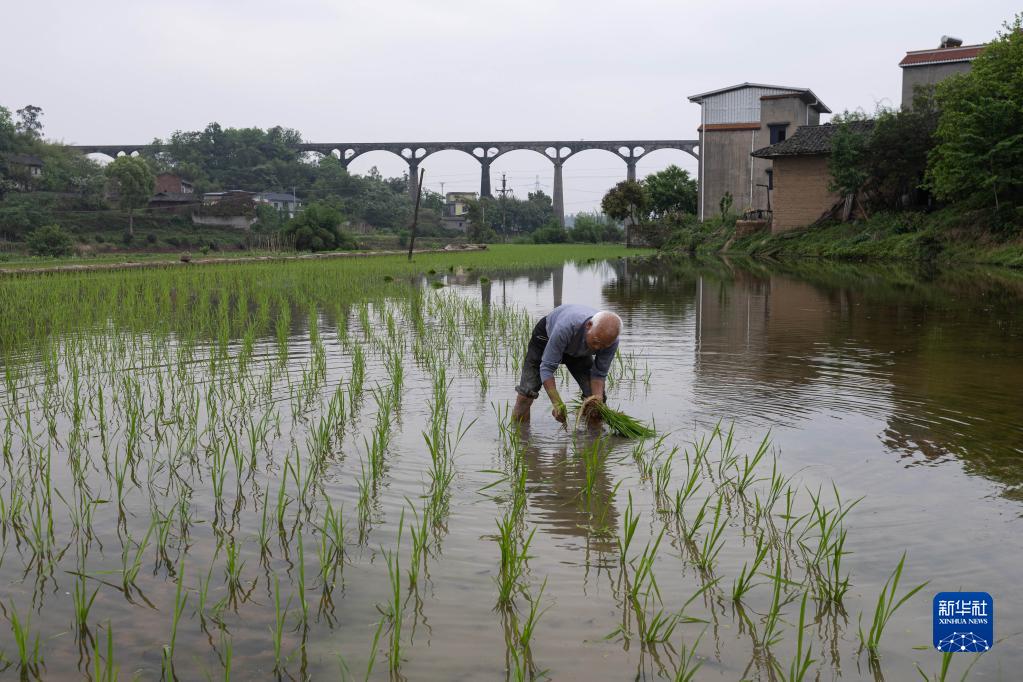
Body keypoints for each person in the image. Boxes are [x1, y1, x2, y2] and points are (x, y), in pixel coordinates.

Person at [512, 304, 622, 424]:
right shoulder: (565, 327)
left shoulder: (610, 341)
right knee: (526, 393)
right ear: (589, 326)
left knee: (594, 403)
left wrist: (598, 400)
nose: (597, 348)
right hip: (546, 339)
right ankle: (520, 438)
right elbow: (547, 368)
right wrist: (557, 403)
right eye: (596, 342)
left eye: (603, 346)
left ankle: (593, 440)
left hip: (579, 350)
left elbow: (599, 374)